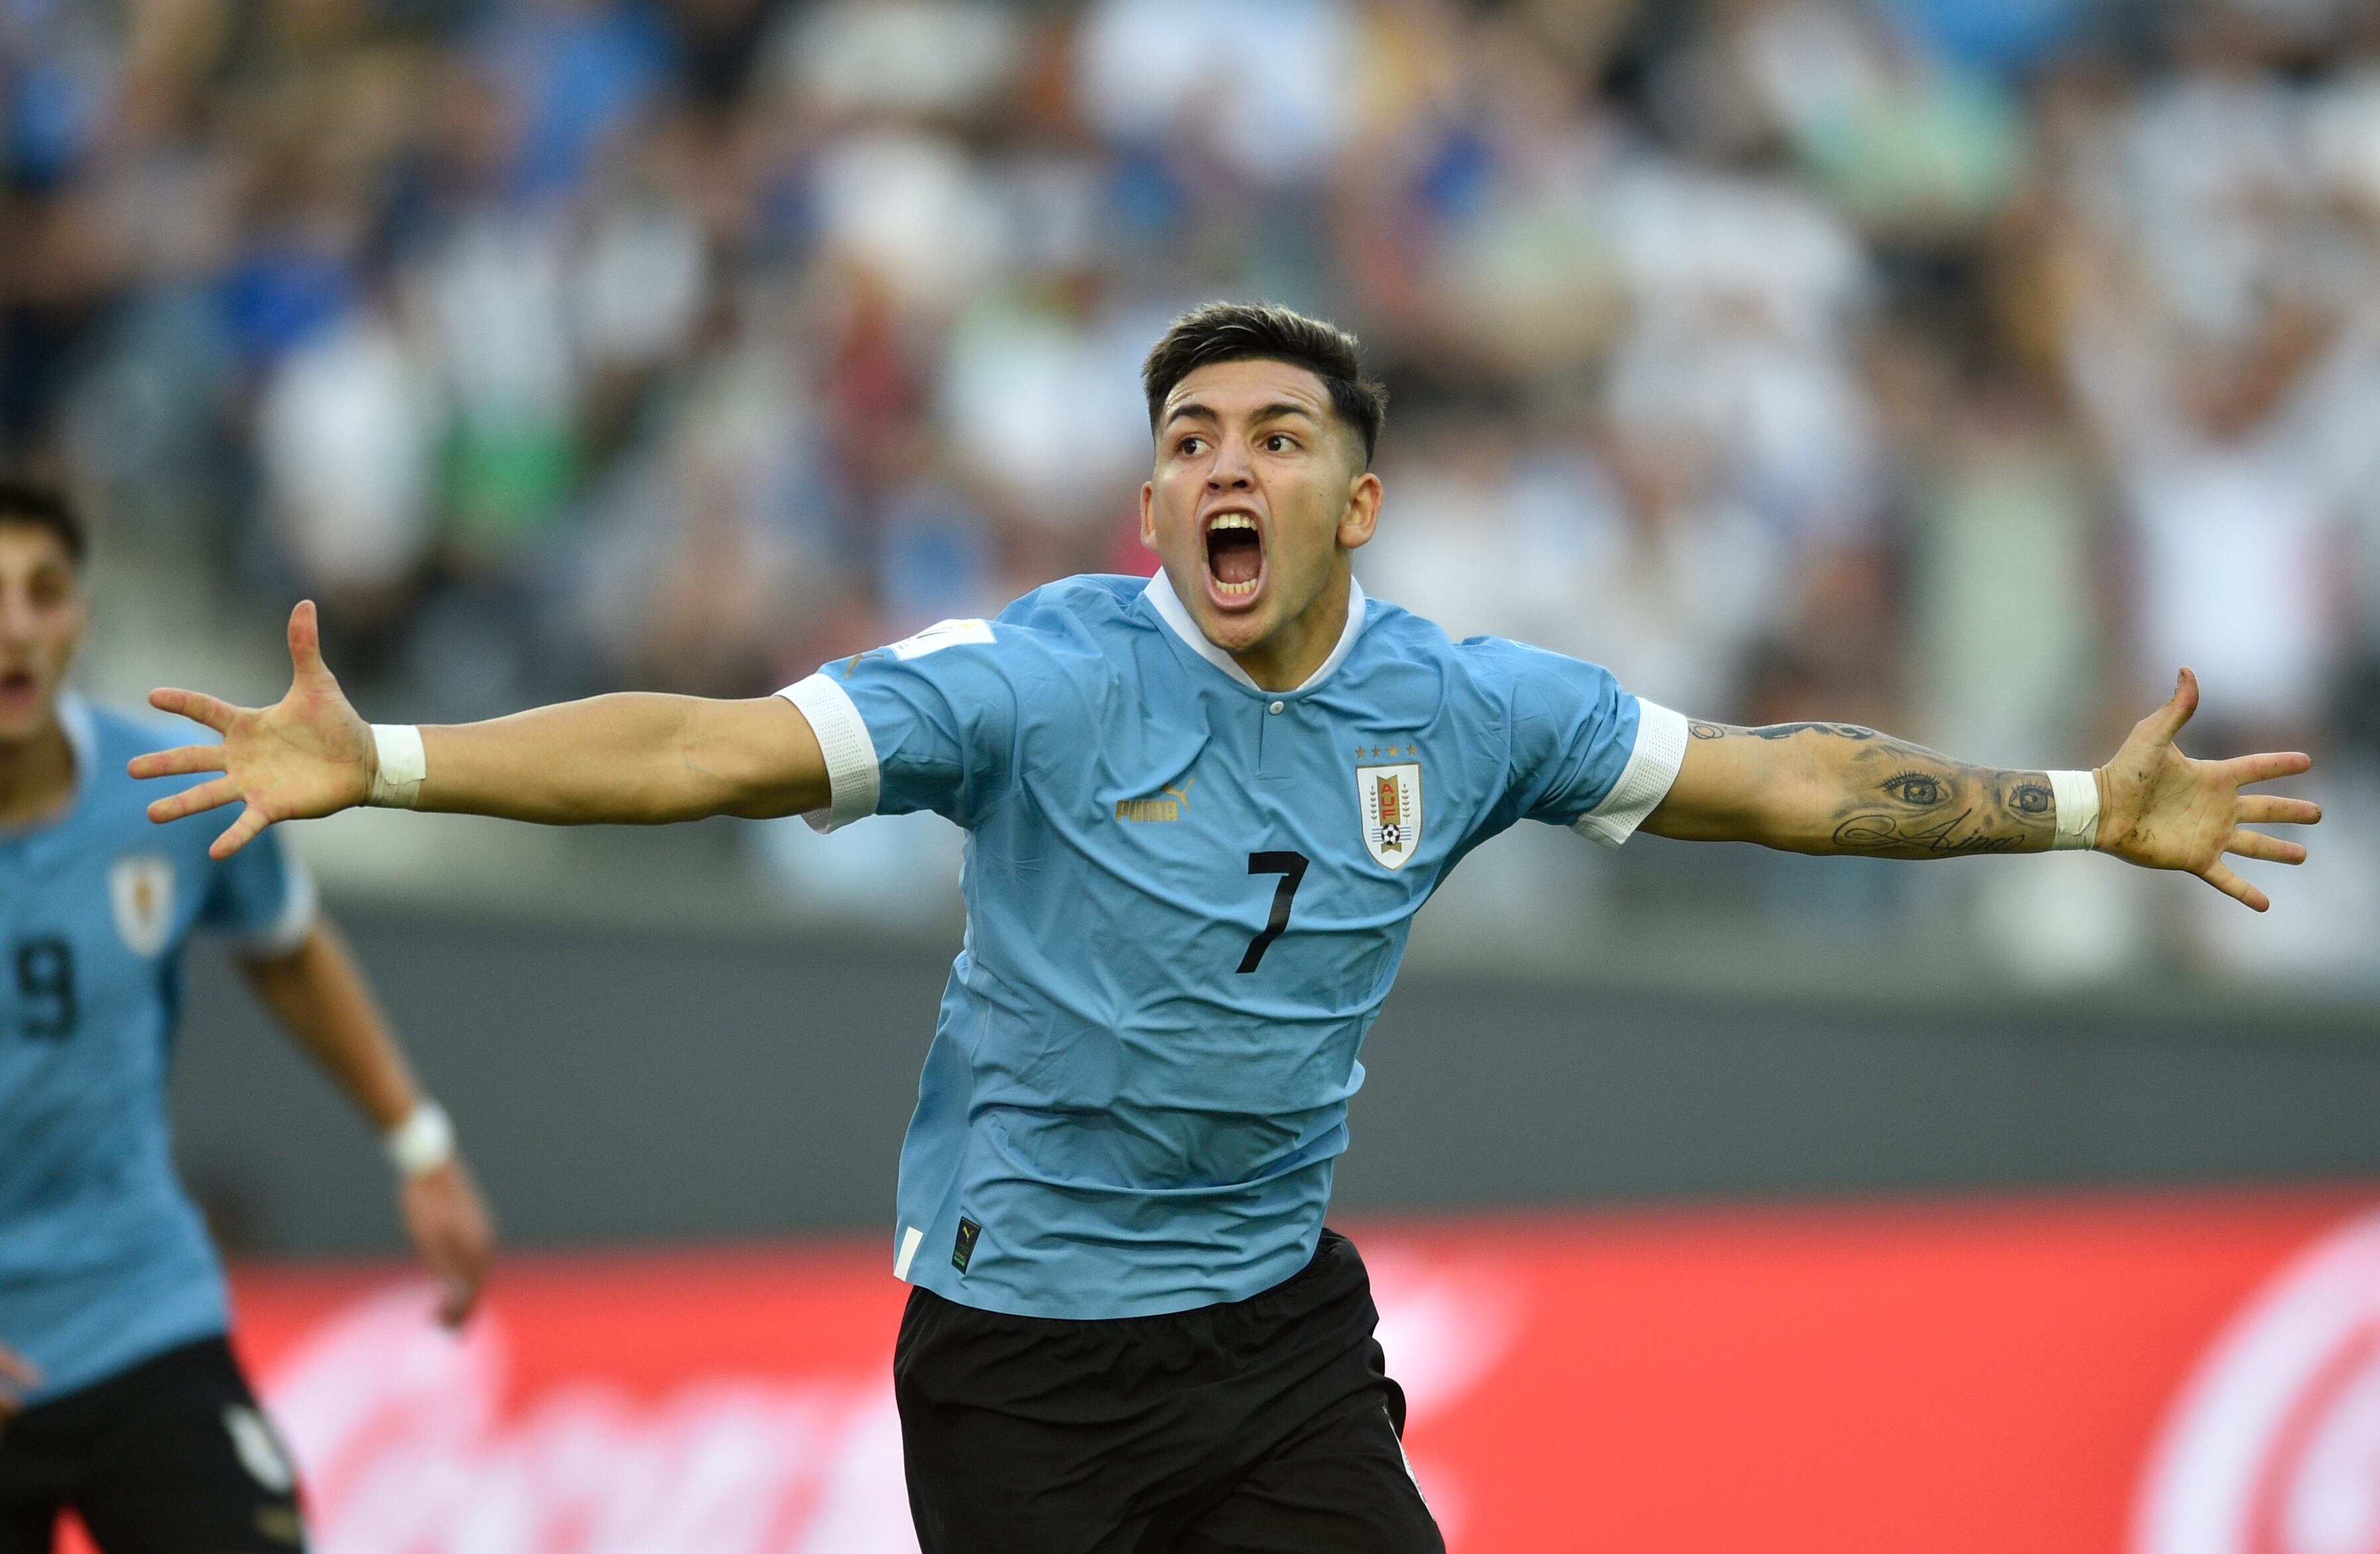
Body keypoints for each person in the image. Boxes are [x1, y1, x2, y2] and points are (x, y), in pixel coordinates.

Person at [134, 303, 2318, 1553]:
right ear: (1153, 497)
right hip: (1023, 1372)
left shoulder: (1463, 708)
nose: (1221, 468)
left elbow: (1787, 777)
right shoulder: (1041, 678)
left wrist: (2067, 810)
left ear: (1352, 497)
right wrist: (394, 759)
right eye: (1185, 438)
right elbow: (705, 750)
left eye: (1272, 434)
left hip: (1272, 1344)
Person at [0, 481, 495, 1554]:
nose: (14, 629)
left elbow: (286, 949)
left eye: (43, 593)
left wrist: (420, 1144)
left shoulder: (166, 796)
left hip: (140, 1309)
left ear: (83, 612)